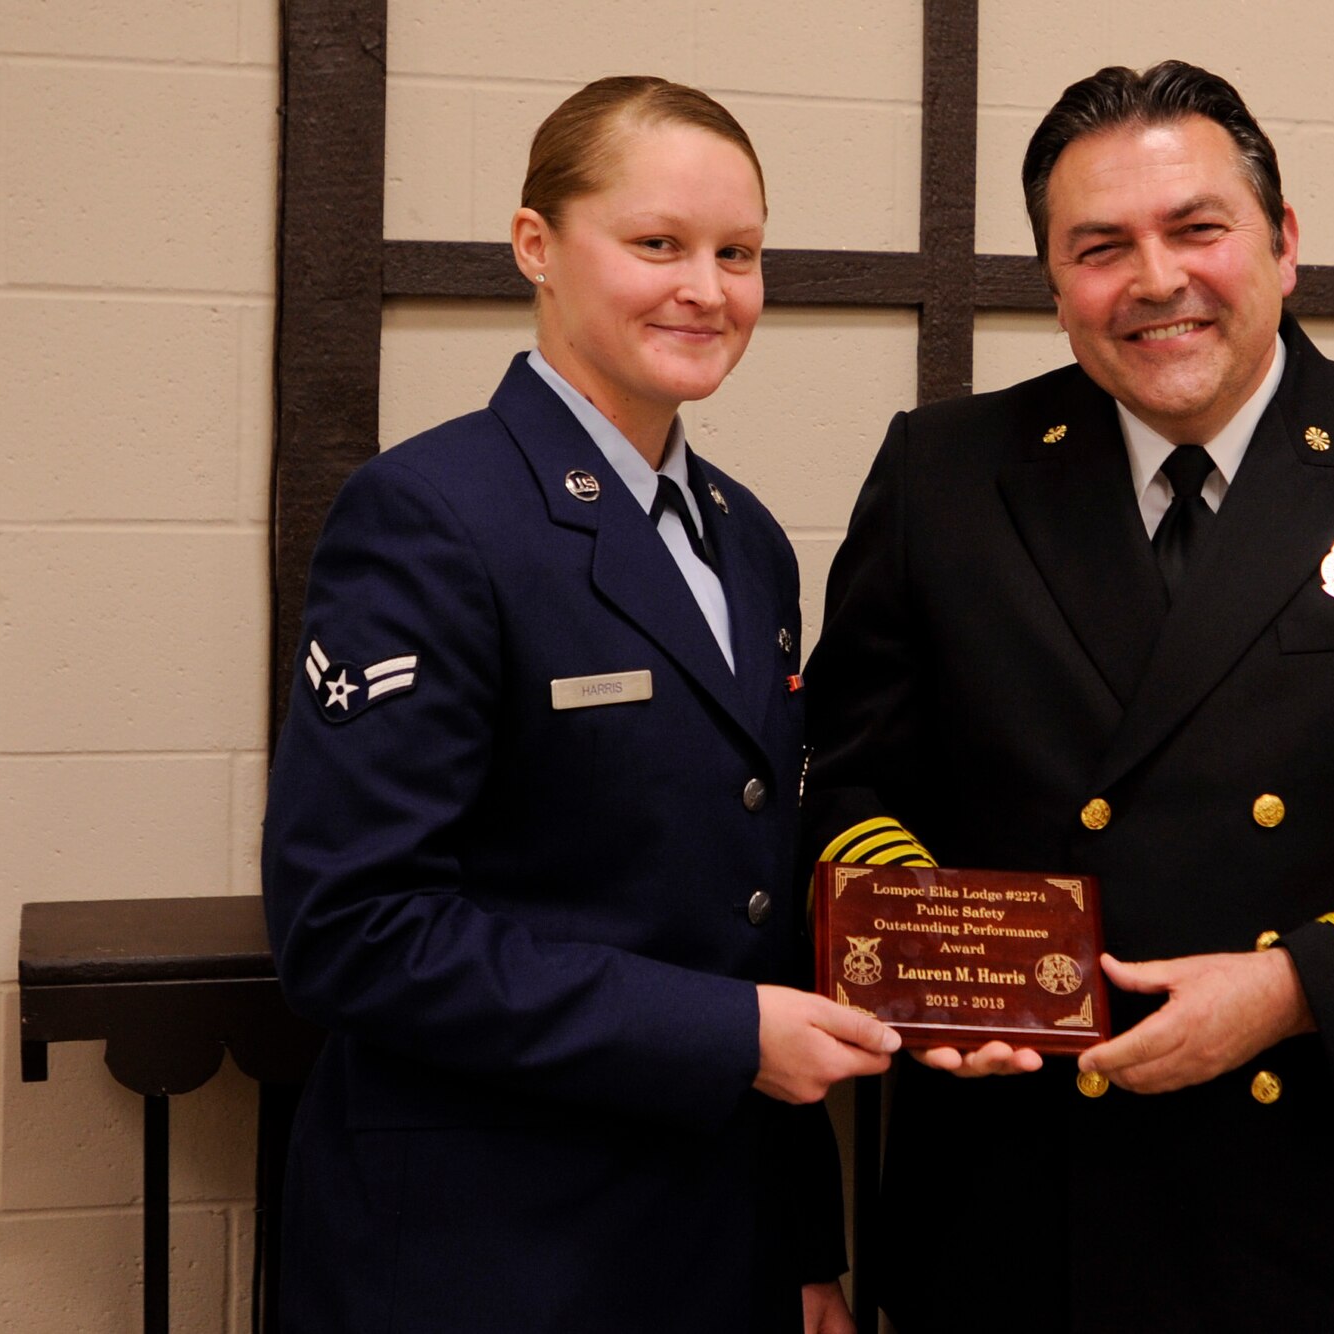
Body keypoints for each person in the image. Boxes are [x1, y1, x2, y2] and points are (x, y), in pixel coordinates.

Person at [803, 61, 1334, 1332]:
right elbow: (848, 780)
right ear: (1053, 280)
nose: (1153, 279)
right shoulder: (943, 475)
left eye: (1196, 228)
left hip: (1332, 1220)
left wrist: (1291, 988)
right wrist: (924, 971)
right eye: (1099, 247)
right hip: (1017, 1219)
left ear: (1281, 243)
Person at [263, 75, 898, 1334]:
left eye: (739, 252)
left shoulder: (747, 541)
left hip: (713, 1242)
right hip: (489, 1250)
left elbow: (747, 917)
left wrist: (802, 1243)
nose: (705, 288)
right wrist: (722, 1033)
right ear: (535, 247)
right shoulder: (432, 515)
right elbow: (355, 926)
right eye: (656, 243)